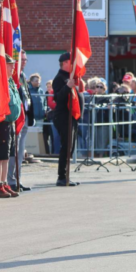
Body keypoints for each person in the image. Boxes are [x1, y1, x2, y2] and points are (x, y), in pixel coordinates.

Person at [0, 56, 21, 198]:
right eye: (9, 65)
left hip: (10, 123)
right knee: (0, 156)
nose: (13, 68)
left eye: (13, 65)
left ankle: (4, 182)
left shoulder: (10, 82)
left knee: (7, 156)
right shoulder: (0, 82)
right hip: (1, 122)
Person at [52, 52, 82, 187]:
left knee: (70, 147)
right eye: (71, 62)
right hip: (63, 116)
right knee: (66, 146)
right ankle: (62, 176)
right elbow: (58, 98)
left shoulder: (71, 77)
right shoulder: (59, 78)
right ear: (65, 63)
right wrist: (67, 87)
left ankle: (66, 176)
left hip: (72, 116)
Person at [8, 51, 36, 193]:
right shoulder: (14, 76)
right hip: (15, 118)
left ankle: (17, 179)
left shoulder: (23, 75)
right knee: (14, 151)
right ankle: (11, 180)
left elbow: (27, 95)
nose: (24, 62)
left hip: (24, 117)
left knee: (20, 152)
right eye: (22, 59)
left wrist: (30, 115)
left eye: (25, 59)